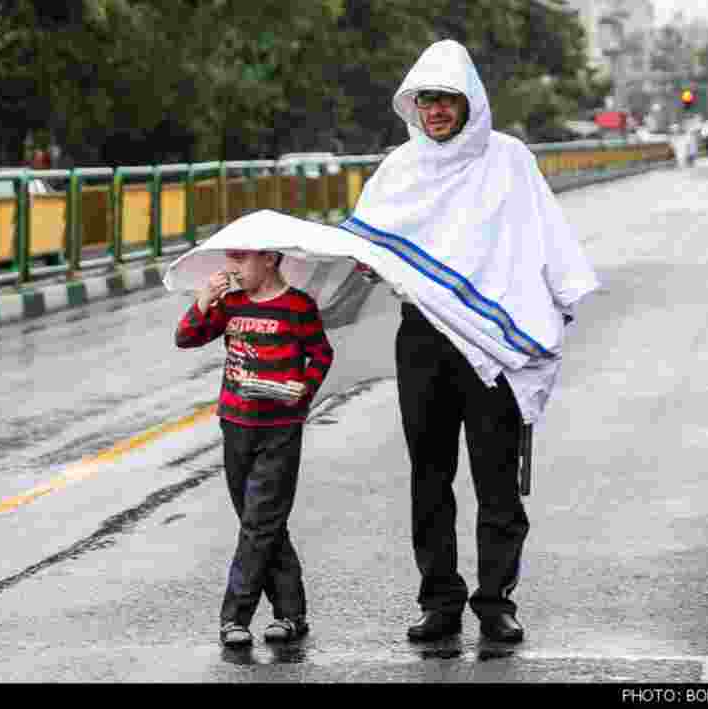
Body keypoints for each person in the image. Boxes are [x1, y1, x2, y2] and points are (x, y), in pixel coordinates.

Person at [342, 40, 600, 644]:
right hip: (422, 340)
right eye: (426, 100)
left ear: (469, 103)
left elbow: (545, 238)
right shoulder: (398, 170)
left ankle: (496, 602)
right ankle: (439, 603)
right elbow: (368, 247)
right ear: (414, 106)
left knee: (496, 480)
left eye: (447, 100)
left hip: (490, 344)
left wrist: (552, 308)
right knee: (428, 476)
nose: (435, 111)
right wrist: (370, 265)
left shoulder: (508, 160)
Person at [175, 249, 334, 648]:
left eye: (241, 260)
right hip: (236, 422)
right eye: (231, 260)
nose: (233, 269)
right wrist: (204, 299)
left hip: (280, 426)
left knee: (260, 522)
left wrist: (305, 387)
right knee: (259, 522)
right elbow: (186, 337)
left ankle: (235, 617)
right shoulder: (231, 304)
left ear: (268, 259)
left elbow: (321, 353)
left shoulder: (298, 306)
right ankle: (292, 614)